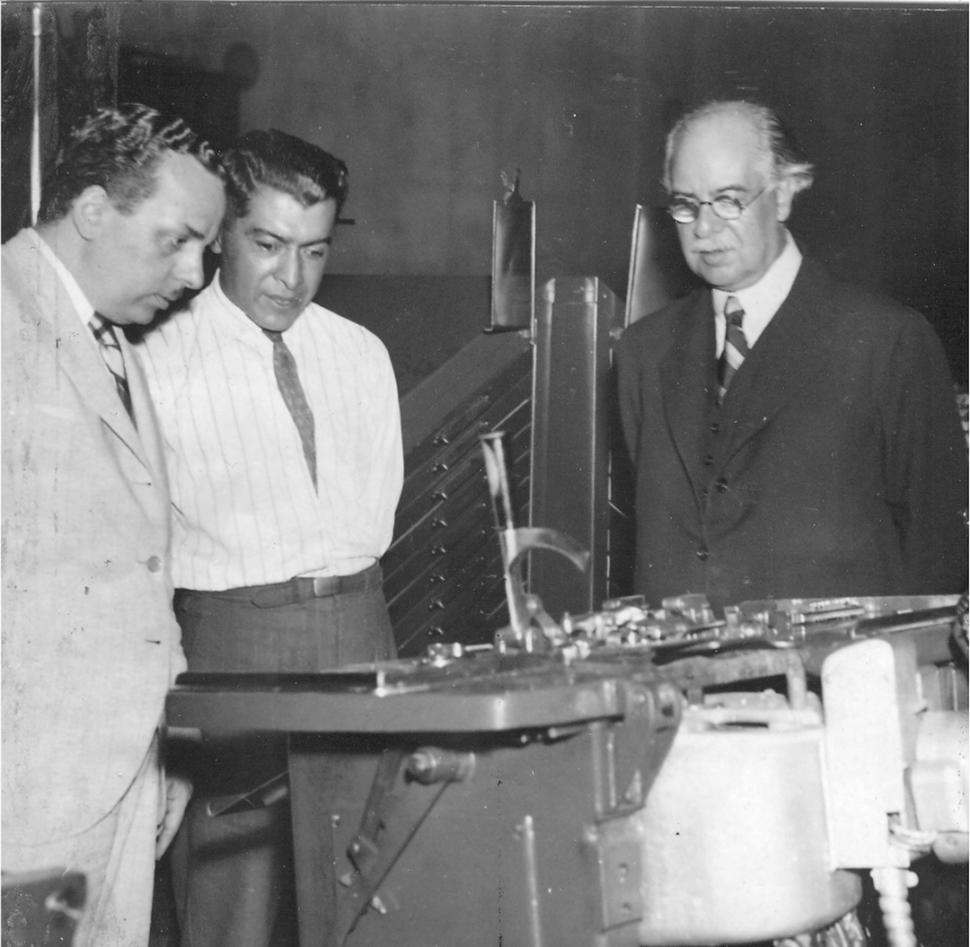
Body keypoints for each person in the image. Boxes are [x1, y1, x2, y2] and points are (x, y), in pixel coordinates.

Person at [134, 129, 404, 947]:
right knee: (232, 917)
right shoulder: (156, 357)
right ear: (222, 232)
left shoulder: (362, 354)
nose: (292, 276)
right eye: (269, 244)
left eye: (314, 251)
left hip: (360, 636)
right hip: (230, 647)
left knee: (366, 906)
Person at [2, 103, 225, 946]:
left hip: (122, 773)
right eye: (177, 240)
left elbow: (140, 564)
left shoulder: (114, 339)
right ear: (94, 210)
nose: (196, 273)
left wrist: (166, 743)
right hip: (25, 798)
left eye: (205, 247)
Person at [615, 99, 967, 613]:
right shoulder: (642, 352)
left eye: (728, 200)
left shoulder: (885, 342)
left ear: (781, 196)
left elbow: (939, 555)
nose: (704, 228)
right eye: (686, 204)